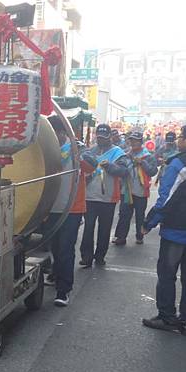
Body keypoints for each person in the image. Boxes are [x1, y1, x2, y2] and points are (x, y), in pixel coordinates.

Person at [142, 124, 186, 336]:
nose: (179, 139)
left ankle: (167, 317)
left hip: (177, 230)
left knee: (167, 274)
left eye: (182, 136)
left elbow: (167, 198)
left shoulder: (179, 164)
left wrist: (149, 222)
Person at [45, 116, 97, 306]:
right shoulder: (47, 148)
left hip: (71, 208)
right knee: (55, 248)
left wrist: (78, 152)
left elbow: (92, 165)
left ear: (62, 133)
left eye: (54, 134)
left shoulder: (77, 148)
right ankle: (56, 274)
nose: (52, 138)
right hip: (50, 207)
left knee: (65, 249)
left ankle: (63, 290)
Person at [79, 124, 131, 267]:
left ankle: (100, 256)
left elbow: (124, 171)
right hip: (89, 196)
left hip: (108, 198)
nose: (101, 140)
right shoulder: (90, 151)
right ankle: (86, 257)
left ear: (110, 137)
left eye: (104, 137)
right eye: (99, 137)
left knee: (104, 229)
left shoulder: (118, 152)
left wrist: (110, 166)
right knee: (88, 228)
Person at [112, 131, 158, 245]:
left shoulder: (148, 156)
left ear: (141, 142)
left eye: (136, 140)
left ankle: (139, 235)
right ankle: (121, 237)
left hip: (141, 191)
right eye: (132, 140)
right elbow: (118, 169)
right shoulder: (125, 155)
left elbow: (153, 171)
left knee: (139, 215)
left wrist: (142, 163)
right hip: (126, 191)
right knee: (123, 214)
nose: (134, 143)